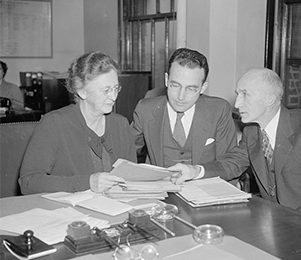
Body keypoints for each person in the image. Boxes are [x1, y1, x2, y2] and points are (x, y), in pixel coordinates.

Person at [169, 68, 301, 226]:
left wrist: (290, 230)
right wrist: (194, 171)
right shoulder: (252, 132)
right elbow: (231, 164)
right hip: (281, 223)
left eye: (245, 94)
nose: (237, 104)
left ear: (269, 99)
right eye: (237, 94)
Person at [19, 52, 135, 194]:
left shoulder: (121, 124)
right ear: (82, 91)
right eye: (106, 90)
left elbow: (131, 178)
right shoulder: (55, 123)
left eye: (116, 88)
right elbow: (28, 182)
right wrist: (87, 183)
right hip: (70, 212)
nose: (113, 97)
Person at [131, 48, 238, 169]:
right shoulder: (146, 109)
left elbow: (230, 163)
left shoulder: (219, 110)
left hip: (202, 185)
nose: (181, 97)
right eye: (175, 86)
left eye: (191, 89)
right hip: (158, 186)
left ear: (203, 88)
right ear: (166, 80)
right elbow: (124, 151)